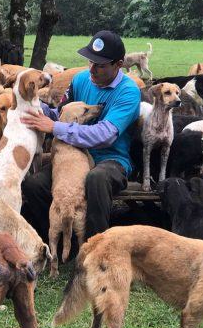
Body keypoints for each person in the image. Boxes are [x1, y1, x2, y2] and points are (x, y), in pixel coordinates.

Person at [21, 30, 141, 242]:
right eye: (90, 62)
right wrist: (32, 107)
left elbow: (105, 135)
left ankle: (95, 247)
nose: (92, 69)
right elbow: (60, 113)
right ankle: (54, 241)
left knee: (96, 179)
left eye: (100, 65)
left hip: (110, 159)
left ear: (119, 64)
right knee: (34, 185)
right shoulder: (81, 79)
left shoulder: (129, 92)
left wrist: (55, 127)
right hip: (74, 156)